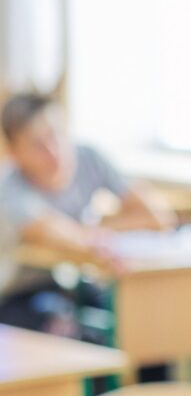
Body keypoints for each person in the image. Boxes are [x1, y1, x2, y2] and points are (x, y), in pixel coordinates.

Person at [0, 92, 174, 337]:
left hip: (73, 285)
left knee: (142, 321)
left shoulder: (88, 158)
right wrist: (98, 238)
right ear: (14, 153)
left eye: (56, 135)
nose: (53, 151)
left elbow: (157, 216)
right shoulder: (10, 187)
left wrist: (101, 231)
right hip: (16, 296)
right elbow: (50, 230)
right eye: (37, 144)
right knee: (70, 330)